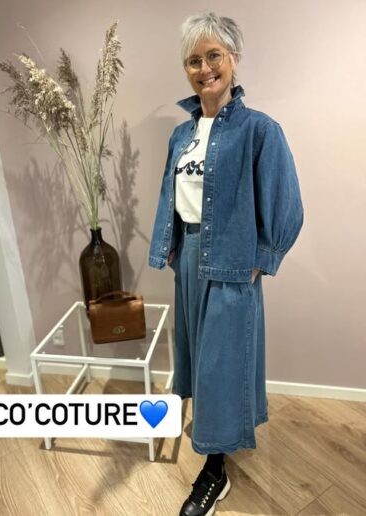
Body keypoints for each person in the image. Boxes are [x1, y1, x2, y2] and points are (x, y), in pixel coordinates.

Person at [148, 11, 303, 516]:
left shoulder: (260, 130)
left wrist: (261, 259)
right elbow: (172, 195)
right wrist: (171, 247)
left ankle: (214, 472)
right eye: (193, 60)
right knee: (198, 360)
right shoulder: (181, 135)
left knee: (221, 366)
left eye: (213, 55)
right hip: (190, 262)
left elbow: (287, 205)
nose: (204, 68)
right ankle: (214, 441)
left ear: (233, 58)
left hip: (232, 264)